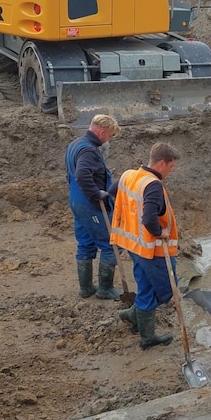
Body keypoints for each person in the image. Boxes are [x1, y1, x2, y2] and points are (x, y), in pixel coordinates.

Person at [111, 143, 182, 350]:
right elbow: (149, 217)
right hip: (152, 250)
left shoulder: (129, 175)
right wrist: (160, 232)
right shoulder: (153, 185)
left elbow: (112, 192)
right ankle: (143, 329)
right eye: (171, 165)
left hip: (133, 245)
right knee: (167, 288)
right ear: (161, 163)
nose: (172, 169)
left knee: (146, 286)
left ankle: (135, 318)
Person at [65, 114, 121, 300]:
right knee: (112, 244)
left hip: (76, 201)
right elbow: (82, 175)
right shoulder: (89, 151)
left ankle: (86, 288)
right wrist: (96, 195)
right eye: (110, 135)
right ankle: (105, 289)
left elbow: (70, 175)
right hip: (90, 205)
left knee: (86, 242)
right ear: (102, 132)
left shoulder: (75, 144)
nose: (109, 140)